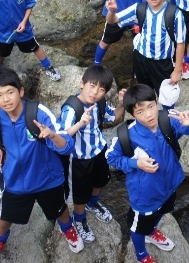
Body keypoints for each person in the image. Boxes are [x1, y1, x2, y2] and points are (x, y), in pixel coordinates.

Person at [0, 68, 93, 262]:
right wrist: (0, 147)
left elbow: (66, 146)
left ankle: (68, 229)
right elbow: (3, 135)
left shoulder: (38, 113)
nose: (5, 99)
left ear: (21, 91)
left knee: (59, 209)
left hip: (46, 178)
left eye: (10, 92)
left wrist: (52, 135)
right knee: (5, 215)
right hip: (15, 179)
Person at [105, 84, 189, 263]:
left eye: (151, 106)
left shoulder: (168, 121)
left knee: (162, 212)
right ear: (132, 114)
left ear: (156, 102)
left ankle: (151, 232)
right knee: (139, 227)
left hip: (170, 186)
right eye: (140, 111)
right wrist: (136, 163)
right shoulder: (127, 135)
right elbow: (110, 157)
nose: (149, 114)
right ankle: (141, 255)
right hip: (144, 196)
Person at [60, 65, 125, 243]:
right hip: (79, 158)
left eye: (101, 89)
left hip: (99, 150)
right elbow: (62, 136)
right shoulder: (72, 108)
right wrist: (80, 123)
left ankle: (93, 202)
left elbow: (113, 117)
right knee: (80, 192)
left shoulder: (99, 103)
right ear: (82, 83)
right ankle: (79, 219)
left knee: (100, 180)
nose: (95, 92)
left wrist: (121, 103)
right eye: (92, 85)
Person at [105, 0, 186, 105]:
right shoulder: (139, 9)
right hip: (141, 59)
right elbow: (112, 20)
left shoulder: (175, 14)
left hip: (163, 63)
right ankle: (150, 114)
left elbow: (181, 43)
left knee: (167, 98)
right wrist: (112, 11)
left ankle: (167, 116)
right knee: (145, 95)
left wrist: (177, 70)